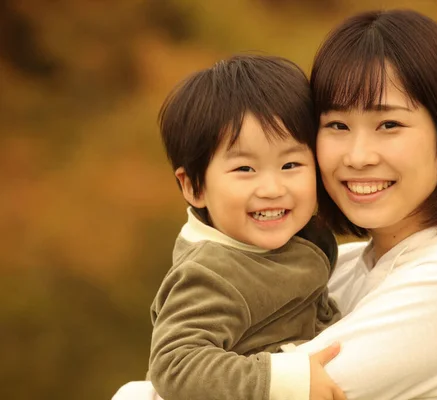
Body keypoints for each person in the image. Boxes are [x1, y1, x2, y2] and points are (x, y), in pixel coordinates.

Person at [113, 9, 437, 400]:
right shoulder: (339, 265)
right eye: (336, 126)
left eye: (389, 124)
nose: (358, 156)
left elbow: (291, 386)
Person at [140, 54, 342, 400]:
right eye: (245, 169)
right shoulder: (212, 272)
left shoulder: (296, 241)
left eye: (291, 164)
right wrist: (285, 379)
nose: (271, 188)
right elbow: (174, 365)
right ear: (194, 187)